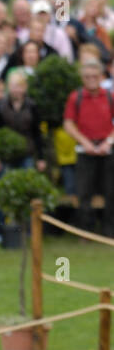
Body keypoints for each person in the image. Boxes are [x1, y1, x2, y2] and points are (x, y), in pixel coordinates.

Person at [63, 59, 114, 235]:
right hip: (85, 150)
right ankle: (85, 232)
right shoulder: (75, 97)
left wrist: (109, 141)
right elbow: (68, 124)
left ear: (101, 77)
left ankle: (109, 231)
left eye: (94, 76)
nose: (91, 79)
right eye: (87, 76)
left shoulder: (109, 96)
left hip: (107, 150)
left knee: (111, 192)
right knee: (84, 193)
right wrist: (84, 141)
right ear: (82, 78)